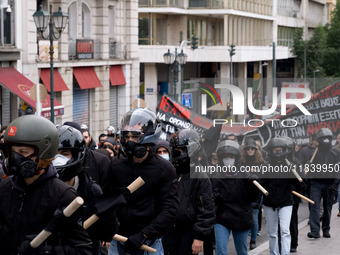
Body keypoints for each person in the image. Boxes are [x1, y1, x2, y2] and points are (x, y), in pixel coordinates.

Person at [0, 115, 92, 254]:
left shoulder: (63, 195)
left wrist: (47, 251)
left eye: (23, 152)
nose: (15, 159)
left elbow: (83, 250)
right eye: (13, 152)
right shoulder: (5, 187)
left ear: (44, 154)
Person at [107, 108, 179, 255]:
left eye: (135, 136)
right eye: (126, 136)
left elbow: (170, 209)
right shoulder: (115, 165)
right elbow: (107, 201)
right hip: (118, 241)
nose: (129, 141)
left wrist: (144, 234)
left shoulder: (165, 169)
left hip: (149, 243)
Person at [53, 124, 119, 255]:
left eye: (64, 154)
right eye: (54, 154)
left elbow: (108, 232)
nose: (58, 160)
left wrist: (107, 214)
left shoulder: (92, 192)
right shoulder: (42, 190)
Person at [162, 129, 215, 255]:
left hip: (189, 231)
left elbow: (207, 210)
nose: (177, 153)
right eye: (175, 150)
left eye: (180, 150)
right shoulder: (170, 172)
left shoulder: (200, 176)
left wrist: (199, 237)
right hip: (168, 229)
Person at [213, 140, 259, 255]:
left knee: (242, 251)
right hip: (222, 218)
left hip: (241, 217)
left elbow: (254, 198)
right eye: (225, 157)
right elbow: (212, 199)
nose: (228, 159)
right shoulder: (215, 176)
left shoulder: (245, 175)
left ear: (236, 158)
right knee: (220, 251)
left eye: (231, 156)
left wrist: (253, 185)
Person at [259, 137, 302, 255]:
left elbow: (301, 187)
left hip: (286, 202)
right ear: (270, 151)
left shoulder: (290, 166)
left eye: (280, 150)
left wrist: (296, 173)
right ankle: (274, 253)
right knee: (272, 233)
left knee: (285, 230)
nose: (278, 153)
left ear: (284, 151)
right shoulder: (266, 167)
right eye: (275, 150)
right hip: (269, 204)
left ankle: (285, 253)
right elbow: (260, 184)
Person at [306, 128, 340, 239]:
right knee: (314, 206)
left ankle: (326, 229)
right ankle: (315, 230)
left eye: (327, 138)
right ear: (319, 139)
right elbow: (309, 169)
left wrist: (335, 184)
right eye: (323, 138)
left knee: (327, 207)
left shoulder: (335, 153)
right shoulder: (312, 153)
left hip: (329, 183)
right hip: (316, 183)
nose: (325, 140)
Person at [240, 139, 264, 250]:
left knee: (254, 219)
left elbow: (263, 181)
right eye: (248, 148)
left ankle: (253, 240)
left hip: (256, 195)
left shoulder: (261, 163)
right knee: (243, 219)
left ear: (256, 149)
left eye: (252, 148)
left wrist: (258, 200)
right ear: (245, 150)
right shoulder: (241, 162)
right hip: (244, 195)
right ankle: (243, 240)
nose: (250, 150)